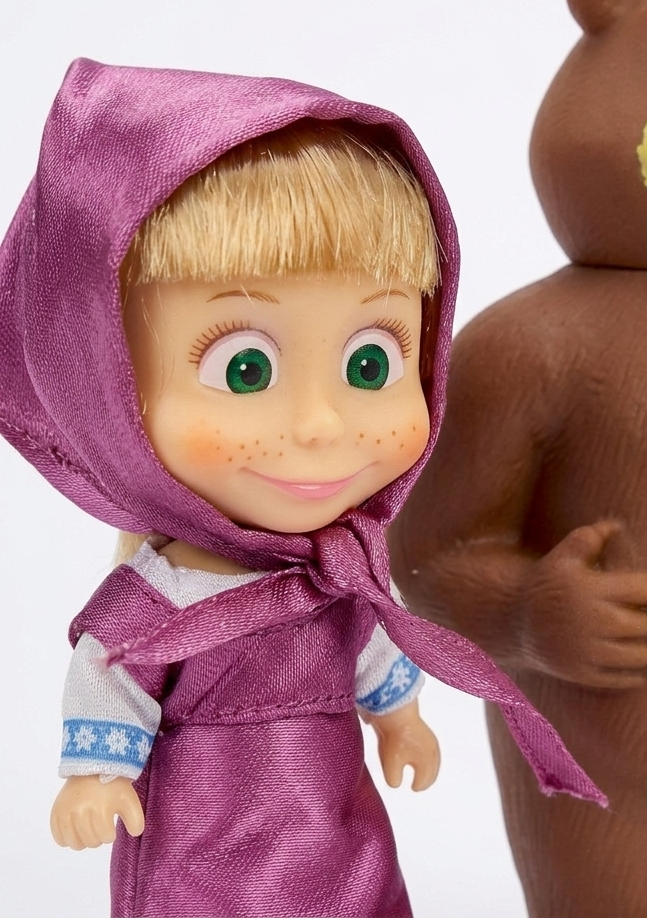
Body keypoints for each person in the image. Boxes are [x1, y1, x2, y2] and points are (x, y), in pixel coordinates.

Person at [0, 59, 602, 918]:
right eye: (245, 369)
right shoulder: (161, 597)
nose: (321, 424)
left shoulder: (341, 568)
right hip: (205, 826)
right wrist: (96, 775)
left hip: (334, 816)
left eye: (371, 363)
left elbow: (371, 643)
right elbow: (109, 673)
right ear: (108, 391)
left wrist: (399, 719)